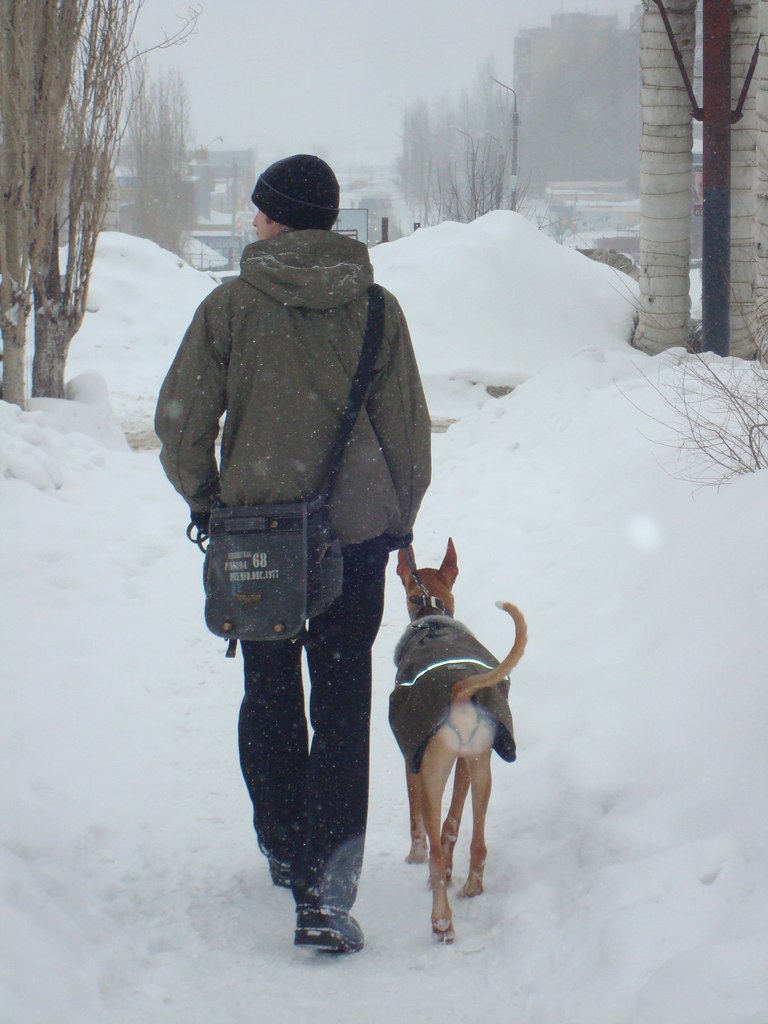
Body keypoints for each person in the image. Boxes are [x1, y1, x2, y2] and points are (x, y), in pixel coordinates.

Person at [155, 154, 431, 954]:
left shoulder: (231, 307)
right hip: (355, 539)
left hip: (262, 537)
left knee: (270, 689)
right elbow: (408, 431)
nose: (252, 222)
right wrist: (397, 520)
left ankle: (285, 847)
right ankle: (330, 881)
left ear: (279, 218)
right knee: (343, 701)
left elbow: (181, 421)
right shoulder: (377, 310)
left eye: (259, 211)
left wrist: (210, 500)